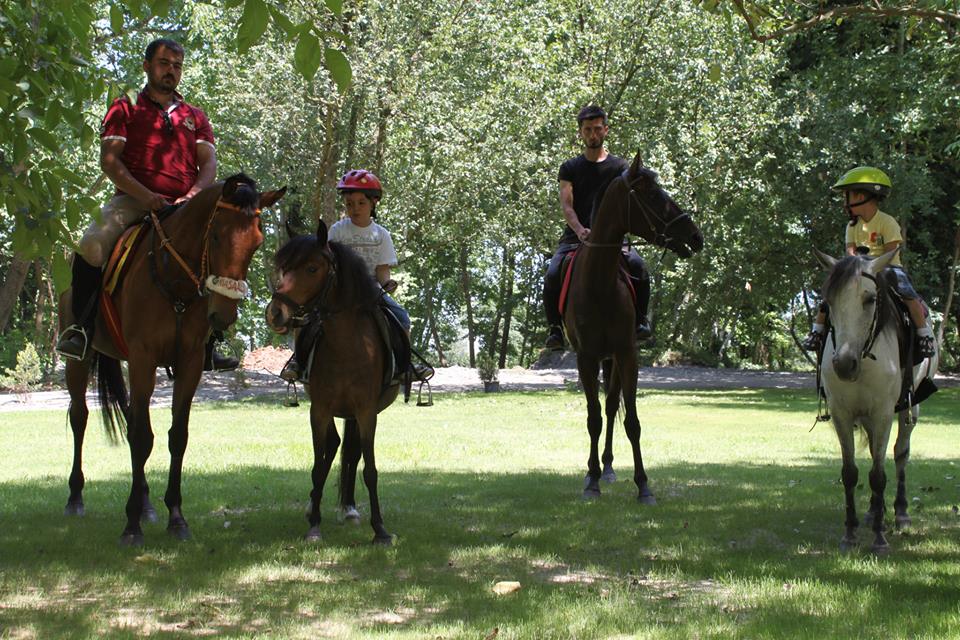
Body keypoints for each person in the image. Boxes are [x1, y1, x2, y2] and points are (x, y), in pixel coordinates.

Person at [56, 38, 238, 371]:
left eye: (177, 65)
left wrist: (194, 195)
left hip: (184, 207)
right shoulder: (124, 107)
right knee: (91, 246)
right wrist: (145, 196)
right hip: (133, 201)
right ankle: (79, 329)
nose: (171, 71)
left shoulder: (194, 116)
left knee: (225, 251)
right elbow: (110, 162)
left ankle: (211, 341)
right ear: (146, 66)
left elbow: (208, 164)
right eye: (165, 63)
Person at [279, 169, 414, 382]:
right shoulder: (338, 230)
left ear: (373, 204)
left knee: (402, 317)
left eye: (361, 203)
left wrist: (388, 283)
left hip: (370, 289)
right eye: (350, 203)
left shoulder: (381, 235)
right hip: (339, 288)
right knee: (306, 318)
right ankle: (298, 360)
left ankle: (406, 366)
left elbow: (381, 271)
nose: (355, 208)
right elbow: (327, 262)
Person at [542, 104, 651, 350]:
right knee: (551, 274)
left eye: (598, 129)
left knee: (639, 267)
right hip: (575, 238)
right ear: (581, 132)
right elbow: (567, 206)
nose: (593, 134)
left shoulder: (620, 168)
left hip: (613, 241)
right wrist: (580, 229)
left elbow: (628, 205)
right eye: (588, 129)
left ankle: (641, 322)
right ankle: (555, 330)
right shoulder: (569, 168)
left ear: (606, 131)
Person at [801, 166, 936, 359]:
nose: (845, 201)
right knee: (833, 293)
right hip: (860, 270)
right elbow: (850, 253)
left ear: (861, 196)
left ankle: (924, 334)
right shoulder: (851, 226)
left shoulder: (887, 222)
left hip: (888, 268)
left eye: (847, 195)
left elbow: (891, 252)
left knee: (908, 295)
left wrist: (873, 265)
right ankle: (817, 330)